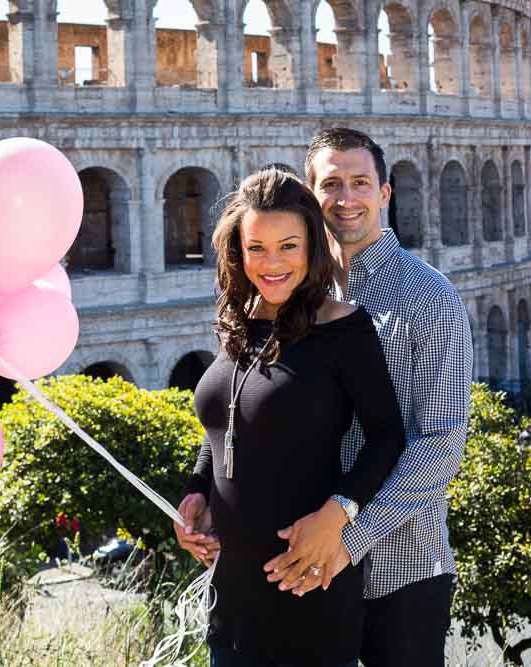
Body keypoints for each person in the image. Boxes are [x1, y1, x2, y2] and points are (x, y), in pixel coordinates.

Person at [179, 128, 473, 667]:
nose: (345, 198)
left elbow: (441, 441)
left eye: (360, 183)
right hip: (288, 565)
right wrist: (203, 487)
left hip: (397, 566)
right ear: (310, 200)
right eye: (330, 184)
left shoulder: (430, 297)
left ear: (385, 194)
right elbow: (235, 406)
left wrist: (346, 536)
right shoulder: (281, 287)